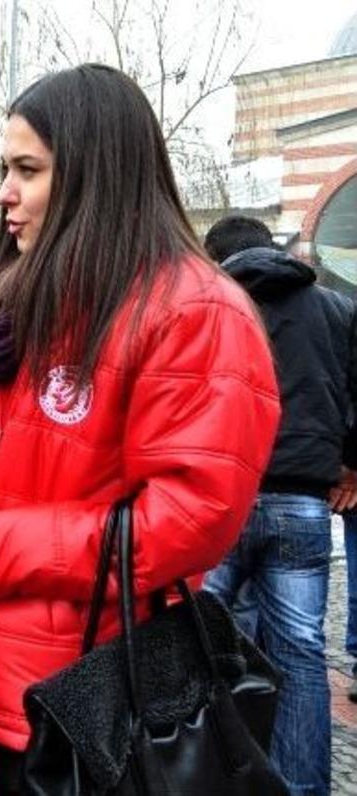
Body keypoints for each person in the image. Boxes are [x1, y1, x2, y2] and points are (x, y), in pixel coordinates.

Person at [0, 64, 281, 794]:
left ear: (94, 173)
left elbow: (187, 519)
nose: (4, 192)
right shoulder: (42, 294)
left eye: (27, 170)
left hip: (87, 706)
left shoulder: (197, 312)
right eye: (4, 168)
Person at [200, 214, 357, 796]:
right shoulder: (336, 309)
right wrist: (349, 465)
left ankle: (210, 774)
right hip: (303, 500)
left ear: (220, 258)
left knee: (203, 642)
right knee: (301, 653)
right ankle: (303, 789)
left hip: (225, 498)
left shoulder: (212, 306)